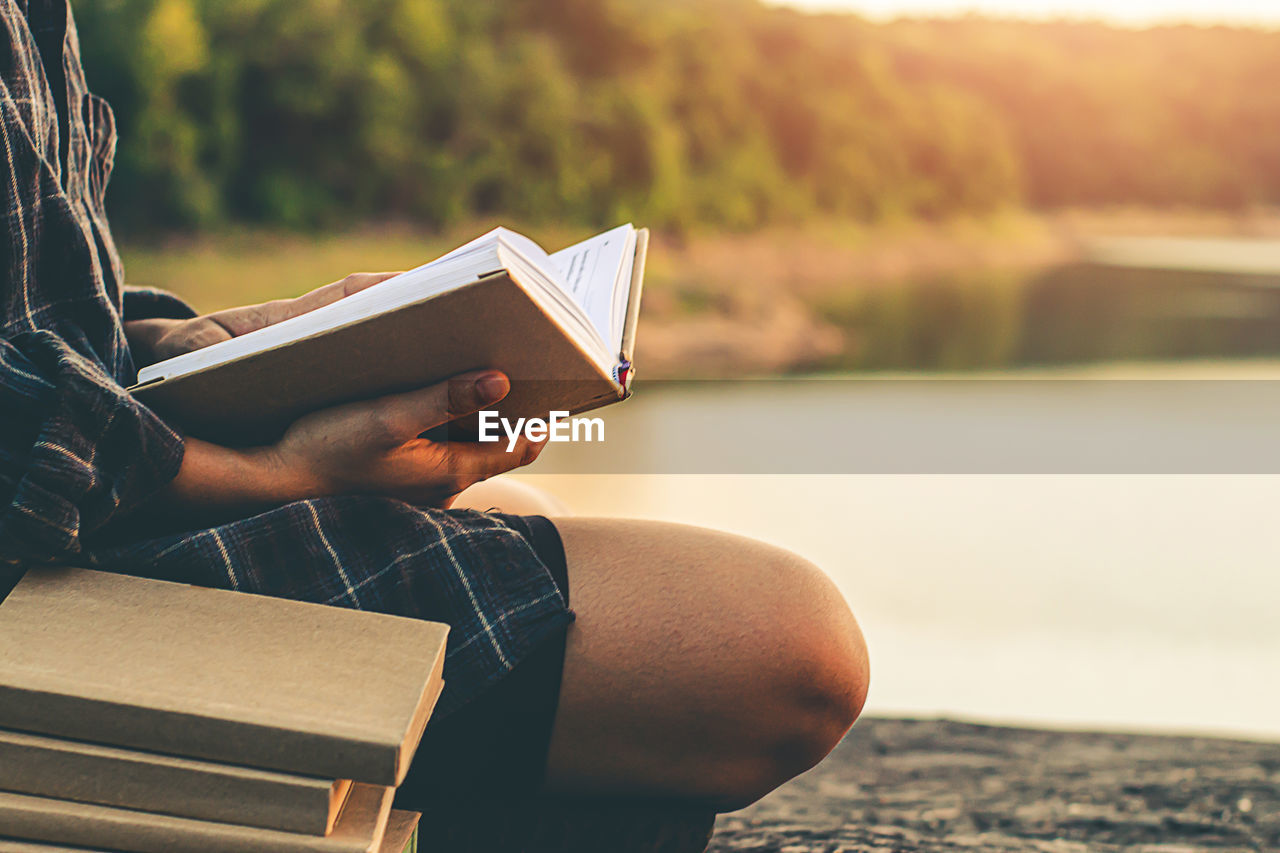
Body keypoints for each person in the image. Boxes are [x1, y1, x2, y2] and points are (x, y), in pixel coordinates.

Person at [0, 0, 868, 818]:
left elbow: (40, 299)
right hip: (35, 564)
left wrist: (185, 342)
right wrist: (273, 475)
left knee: (534, 511)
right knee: (792, 650)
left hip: (89, 481)